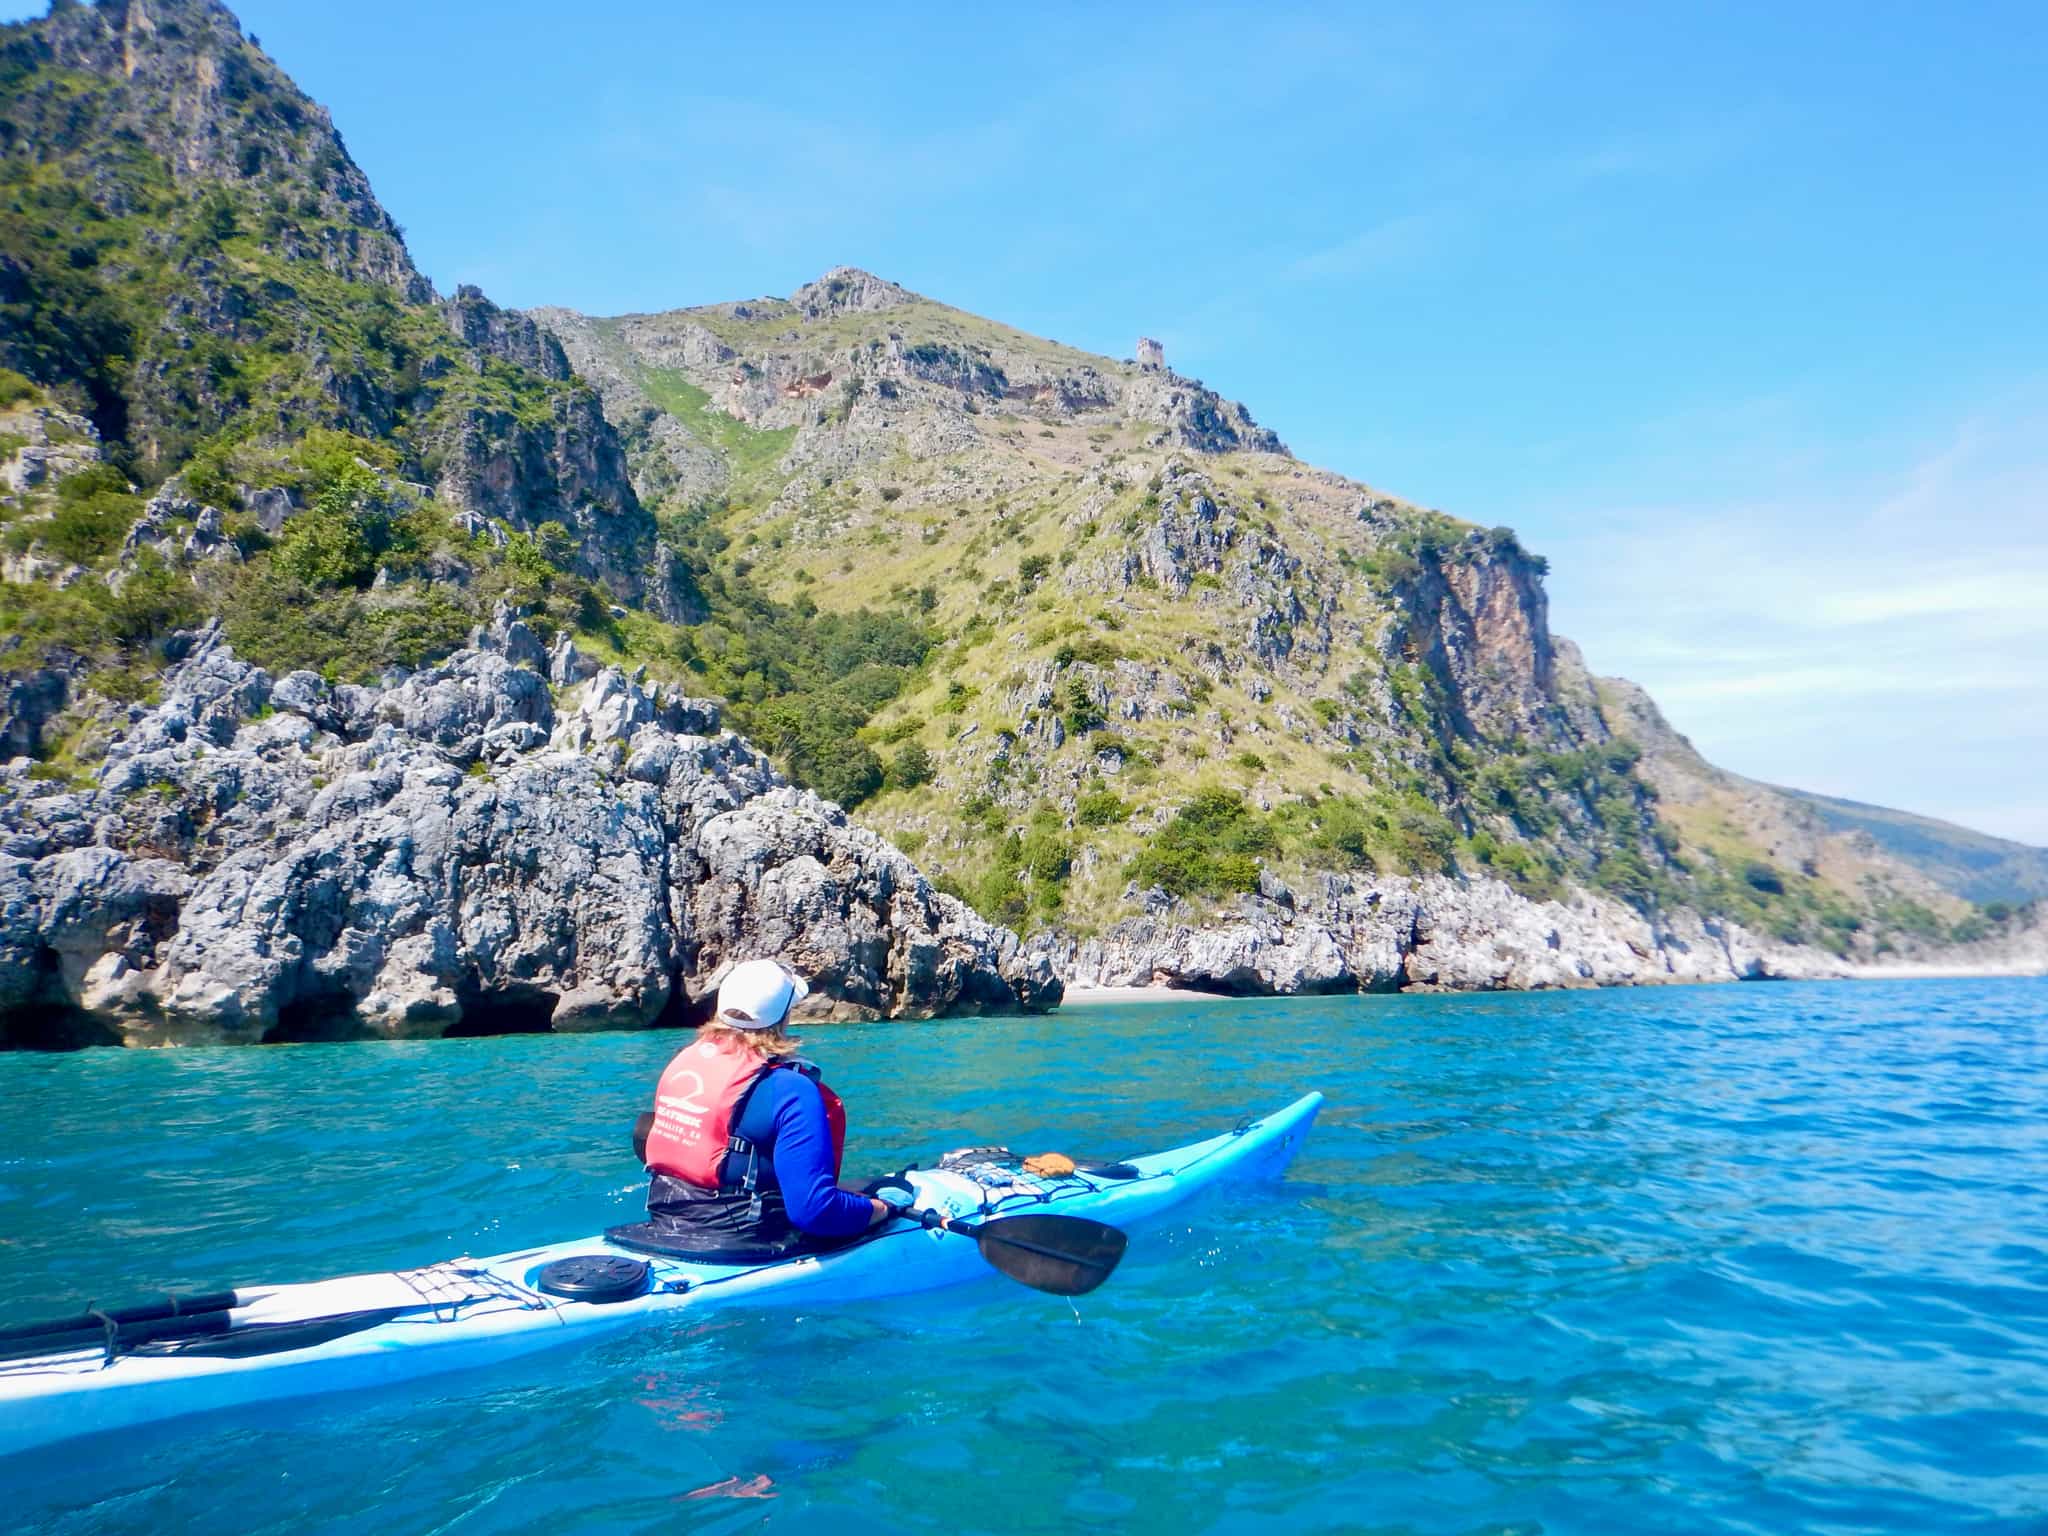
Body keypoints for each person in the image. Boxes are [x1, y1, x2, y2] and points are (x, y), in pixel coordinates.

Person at [637, 959, 892, 1256]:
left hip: (669, 1218)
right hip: (744, 1236)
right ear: (783, 1017)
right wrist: (882, 1209)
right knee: (890, 1193)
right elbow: (815, 1212)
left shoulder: (686, 1059)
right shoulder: (791, 1089)